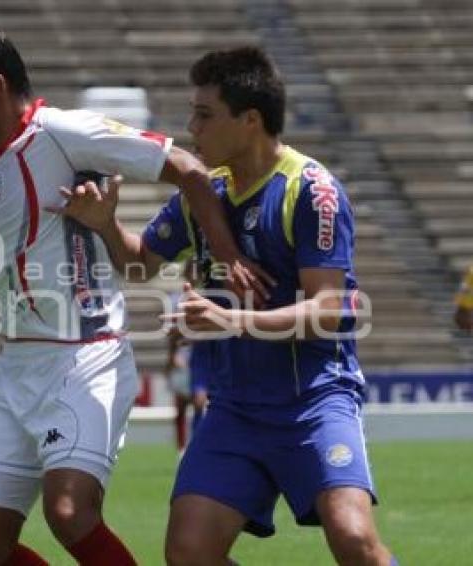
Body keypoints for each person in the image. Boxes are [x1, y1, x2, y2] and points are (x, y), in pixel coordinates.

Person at [0, 18, 266, 566]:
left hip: (85, 355)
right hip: (15, 364)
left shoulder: (65, 133)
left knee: (69, 513)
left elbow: (187, 169)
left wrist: (228, 256)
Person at [56, 47, 399, 565]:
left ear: (250, 120)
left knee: (354, 541)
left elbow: (332, 310)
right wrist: (104, 224)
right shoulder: (204, 192)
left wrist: (232, 319)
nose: (191, 128)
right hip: (235, 410)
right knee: (188, 554)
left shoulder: (311, 191)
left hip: (314, 402)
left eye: (204, 114)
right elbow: (140, 264)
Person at [164, 261, 209, 452]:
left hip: (205, 356)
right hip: (184, 356)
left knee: (200, 402)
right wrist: (172, 356)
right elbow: (173, 332)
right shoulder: (176, 299)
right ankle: (181, 449)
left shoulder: (210, 295)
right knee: (181, 404)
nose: (193, 273)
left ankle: (197, 446)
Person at [454, 265, 473, 331]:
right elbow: (463, 288)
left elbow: (464, 287)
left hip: (468, 301)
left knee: (467, 315)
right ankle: (464, 328)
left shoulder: (470, 273)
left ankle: (467, 329)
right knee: (459, 316)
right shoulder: (468, 274)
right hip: (464, 301)